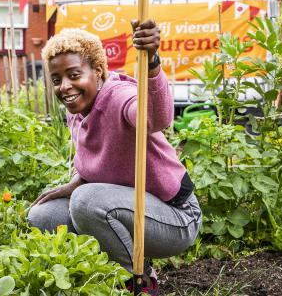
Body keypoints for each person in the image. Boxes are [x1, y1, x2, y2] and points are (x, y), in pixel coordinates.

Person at [28, 22, 201, 294]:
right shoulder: (78, 109)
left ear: (97, 70)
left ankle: (140, 282)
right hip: (132, 210)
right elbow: (100, 156)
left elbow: (154, 118)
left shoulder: (119, 97)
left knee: (86, 201)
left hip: (176, 218)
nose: (65, 86)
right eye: (57, 79)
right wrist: (77, 180)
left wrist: (152, 62)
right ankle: (98, 275)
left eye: (74, 74)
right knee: (43, 216)